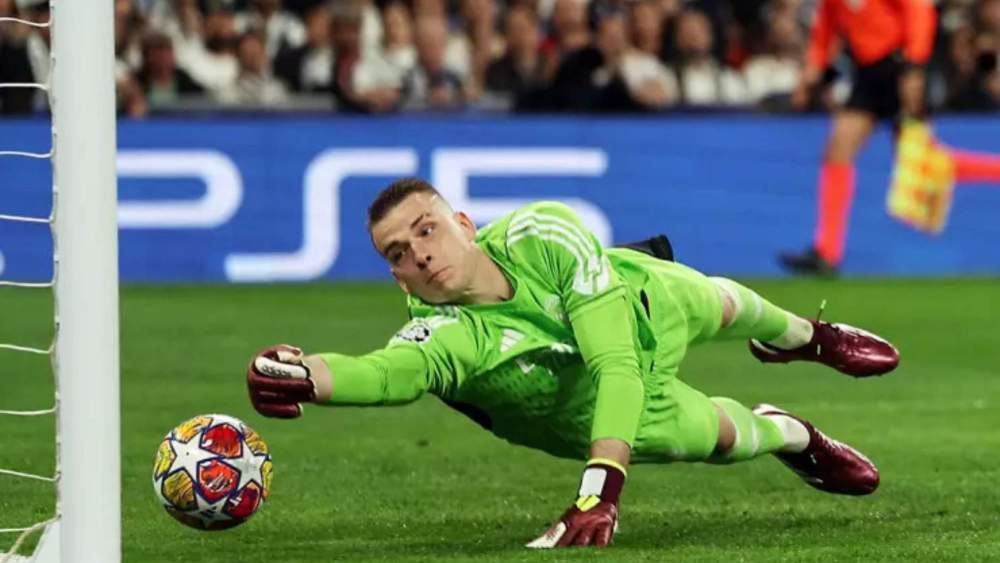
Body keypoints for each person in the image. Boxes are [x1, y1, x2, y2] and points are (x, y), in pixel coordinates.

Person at [246, 178, 899, 548]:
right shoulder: (446, 336)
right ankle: (797, 434)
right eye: (397, 252)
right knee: (727, 439)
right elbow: (387, 373)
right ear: (399, 279)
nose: (418, 252)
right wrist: (307, 376)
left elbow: (615, 357)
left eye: (426, 228)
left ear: (465, 225)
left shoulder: (544, 232)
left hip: (637, 310)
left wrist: (598, 492)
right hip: (601, 412)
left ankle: (805, 337)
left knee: (720, 302)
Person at [781, 0, 1000, 275]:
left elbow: (918, 11)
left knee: (925, 162)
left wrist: (914, 67)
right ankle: (826, 252)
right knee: (838, 149)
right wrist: (814, 67)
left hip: (899, 67)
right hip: (867, 73)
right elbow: (826, 27)